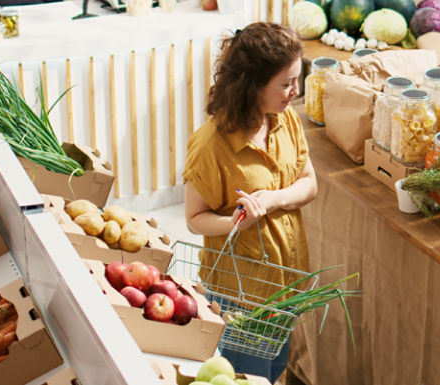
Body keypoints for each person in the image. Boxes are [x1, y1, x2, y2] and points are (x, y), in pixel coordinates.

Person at [182, 22, 316, 382]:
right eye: (286, 83)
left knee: (274, 370)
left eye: (296, 80)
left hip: (285, 287)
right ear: (253, 85)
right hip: (241, 295)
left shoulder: (285, 120)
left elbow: (309, 183)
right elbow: (194, 218)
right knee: (248, 378)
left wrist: (273, 200)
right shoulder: (211, 144)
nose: (295, 91)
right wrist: (236, 223)